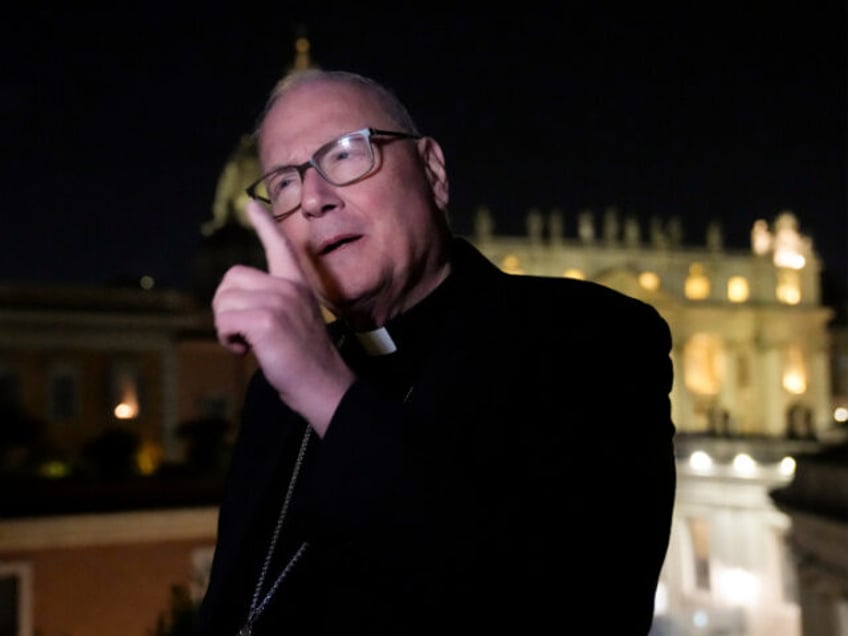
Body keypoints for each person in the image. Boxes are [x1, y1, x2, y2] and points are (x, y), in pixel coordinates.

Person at [198, 68, 677, 636]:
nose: (314, 200)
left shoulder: (594, 339)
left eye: (348, 154)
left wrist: (329, 393)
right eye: (283, 184)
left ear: (433, 172)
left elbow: (581, 608)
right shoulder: (270, 394)